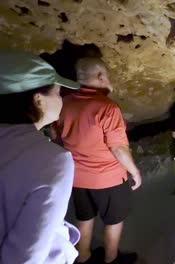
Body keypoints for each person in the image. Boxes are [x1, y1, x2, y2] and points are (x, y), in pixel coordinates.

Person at [53, 57, 142, 264]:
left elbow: (58, 140)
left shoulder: (64, 103)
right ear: (101, 76)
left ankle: (82, 257)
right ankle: (111, 259)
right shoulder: (107, 107)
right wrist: (134, 171)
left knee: (84, 218)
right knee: (113, 221)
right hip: (108, 179)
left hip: (78, 178)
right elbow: (117, 147)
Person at [0, 50, 81, 263]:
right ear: (38, 100)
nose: (61, 99)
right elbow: (27, 256)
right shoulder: (53, 160)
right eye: (57, 92)